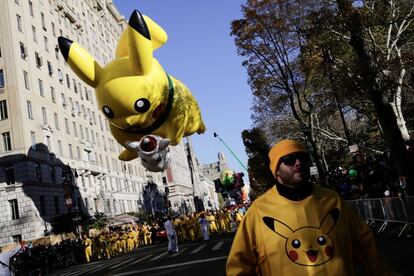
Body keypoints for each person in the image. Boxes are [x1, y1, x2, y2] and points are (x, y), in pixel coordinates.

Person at [226, 139, 395, 276]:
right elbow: (238, 266)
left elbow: (366, 247)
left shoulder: (332, 199)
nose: (298, 162)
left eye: (303, 158)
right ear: (276, 170)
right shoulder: (258, 211)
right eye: (289, 160)